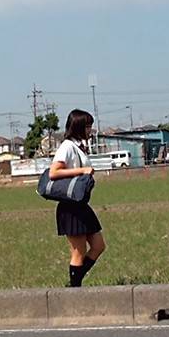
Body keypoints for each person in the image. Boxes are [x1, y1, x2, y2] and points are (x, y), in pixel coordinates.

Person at [49, 109, 106, 287]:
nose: (90, 130)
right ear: (79, 127)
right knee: (78, 251)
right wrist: (82, 171)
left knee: (98, 246)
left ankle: (75, 281)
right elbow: (54, 172)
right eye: (88, 126)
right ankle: (75, 288)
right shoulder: (67, 146)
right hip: (70, 206)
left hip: (81, 204)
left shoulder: (78, 147)